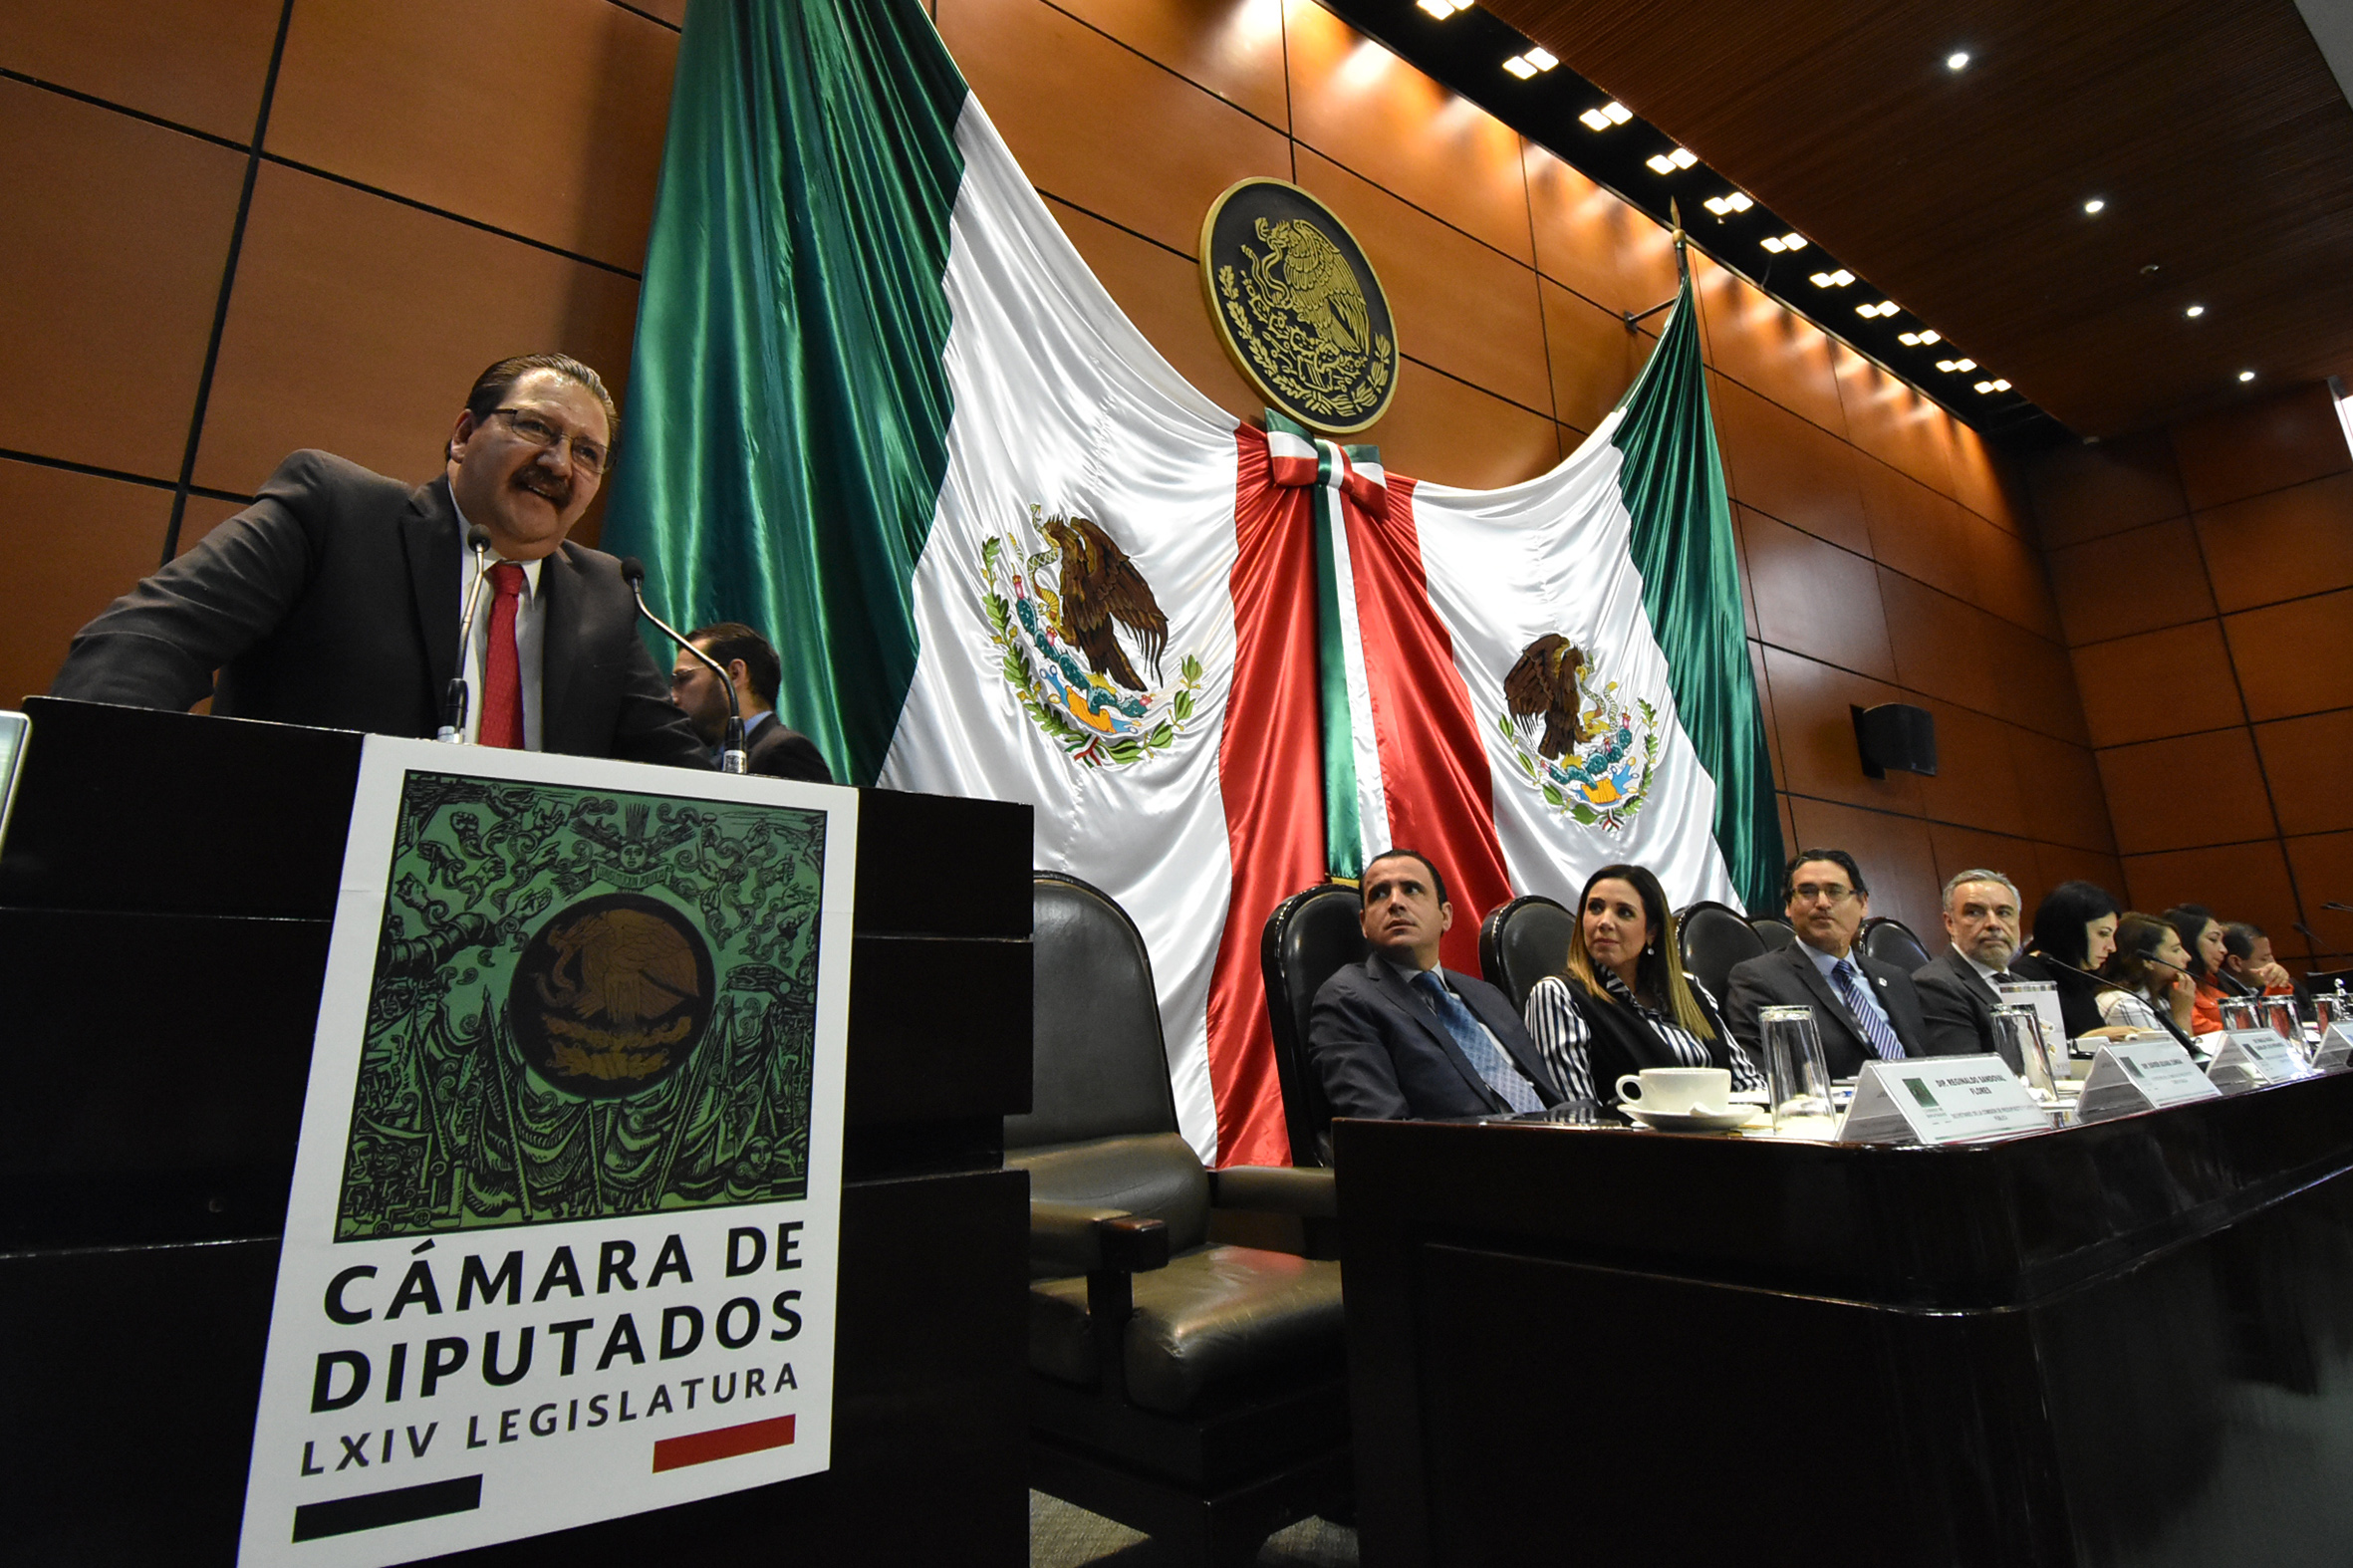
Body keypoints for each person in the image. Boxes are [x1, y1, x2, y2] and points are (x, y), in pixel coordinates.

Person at [52, 354, 704, 767]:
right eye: (536, 427)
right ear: (464, 435)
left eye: (587, 454)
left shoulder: (606, 594)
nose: (559, 463)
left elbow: (677, 765)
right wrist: (99, 780)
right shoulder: (337, 515)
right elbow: (149, 639)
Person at [1308, 848, 1567, 1124]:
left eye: (1411, 890)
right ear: (1364, 924)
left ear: (1446, 916)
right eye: (1379, 894)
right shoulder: (1348, 997)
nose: (1395, 903)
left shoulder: (1487, 996)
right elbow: (1383, 1131)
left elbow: (1551, 1097)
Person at [1521, 863, 1761, 1106]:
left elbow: (1751, 1086)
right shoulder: (1558, 995)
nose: (1604, 922)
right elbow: (1578, 1114)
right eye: (1595, 908)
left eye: (1624, 912)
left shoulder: (1690, 991)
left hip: (1727, 1127)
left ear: (1651, 933)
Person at [1722, 849, 1959, 1077]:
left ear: (1863, 903)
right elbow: (1769, 1076)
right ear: (1788, 906)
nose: (1822, 903)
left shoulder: (1896, 978)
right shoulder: (1760, 979)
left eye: (1834, 891)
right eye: (1807, 892)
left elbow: (1932, 1059)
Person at [671, 622, 832, 782]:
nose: (673, 697)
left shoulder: (786, 751)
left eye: (683, 678)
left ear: (734, 674)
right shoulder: (712, 764)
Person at [1911, 869, 2030, 1071]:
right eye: (1975, 912)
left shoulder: (2024, 985)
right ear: (1950, 923)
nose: (1993, 924)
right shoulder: (1935, 984)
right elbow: (1966, 1075)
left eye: (2003, 913)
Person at [2008, 880, 2132, 1041]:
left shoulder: (2076, 976)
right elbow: (2033, 1049)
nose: (2112, 947)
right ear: (2071, 930)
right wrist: (2088, 1040)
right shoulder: (2025, 978)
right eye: (2103, 934)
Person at [2097, 912, 2201, 1050]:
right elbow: (2174, 1059)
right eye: (2175, 950)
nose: (2187, 957)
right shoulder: (2125, 1005)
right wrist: (2182, 1017)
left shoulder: (2159, 998)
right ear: (2147, 960)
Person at [2199, 920, 2299, 1032]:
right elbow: (2258, 1028)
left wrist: (2277, 985)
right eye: (2264, 959)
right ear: (2236, 962)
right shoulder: (2208, 990)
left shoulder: (2266, 985)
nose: (2273, 965)